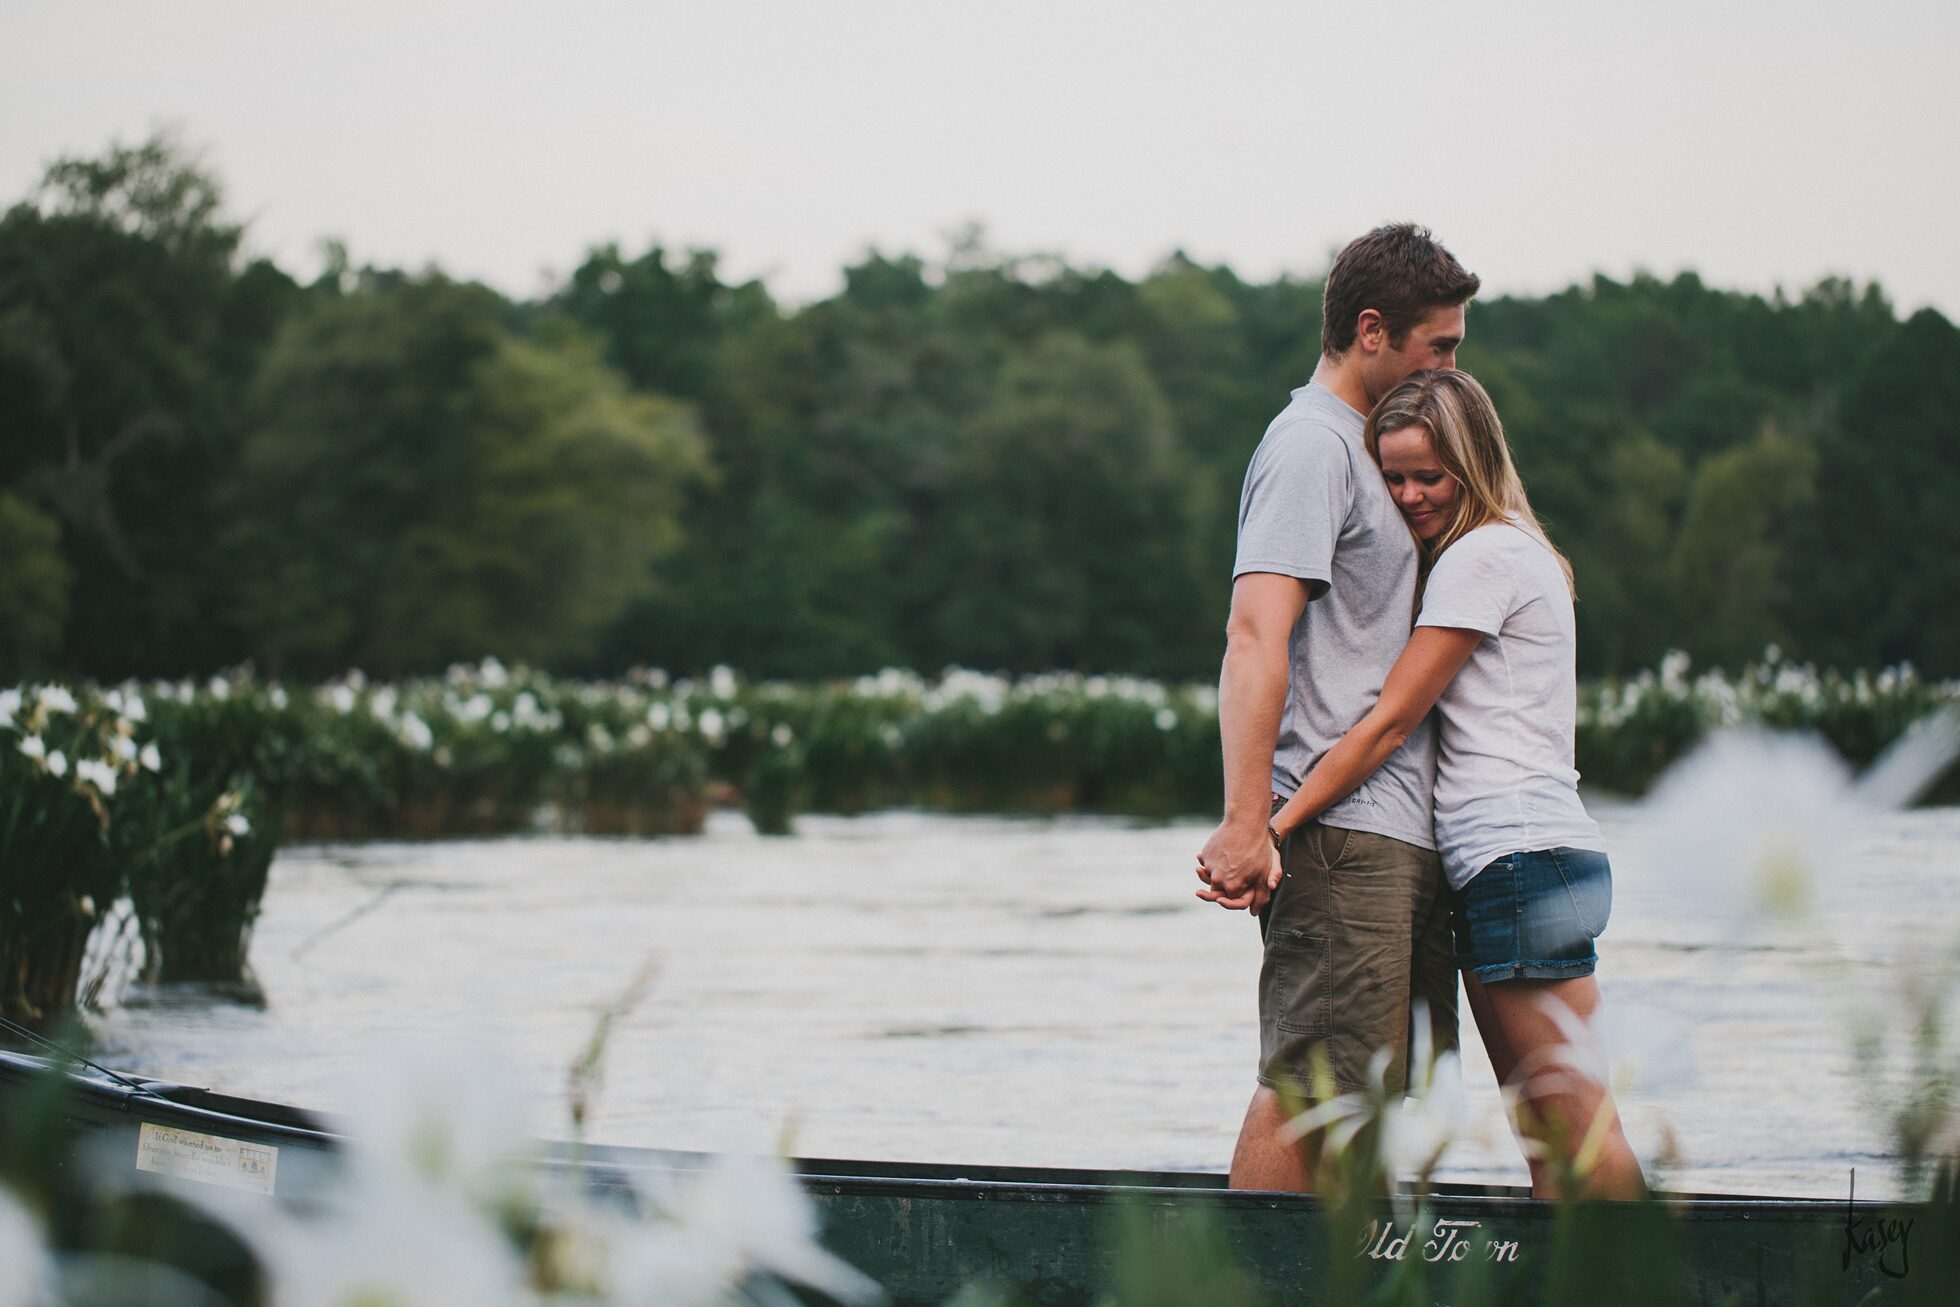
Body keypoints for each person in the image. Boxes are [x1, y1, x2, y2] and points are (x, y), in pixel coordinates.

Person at [1265, 368, 1646, 1199]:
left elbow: (1389, 723)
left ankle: (1644, 1275)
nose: (1408, 496)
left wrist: (1277, 822)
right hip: (1521, 862)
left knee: (1577, 1125)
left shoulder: (1480, 556)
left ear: (1472, 463)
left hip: (1520, 860)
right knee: (1547, 1135)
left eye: (1427, 476)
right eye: (1393, 476)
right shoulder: (1514, 549)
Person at [1194, 224, 1478, 1192]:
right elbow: (1253, 633)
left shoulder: (1372, 452)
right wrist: (1246, 824)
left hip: (1397, 824)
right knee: (1316, 1081)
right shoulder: (1311, 446)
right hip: (1336, 826)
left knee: (1385, 1091)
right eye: (1438, 346)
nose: (1449, 367)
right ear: (1371, 330)